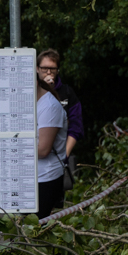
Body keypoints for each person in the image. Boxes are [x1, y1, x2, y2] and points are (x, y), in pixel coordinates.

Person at [37, 49, 84, 157]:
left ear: (57, 70)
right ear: (37, 69)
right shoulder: (31, 92)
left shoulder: (67, 92)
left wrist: (65, 154)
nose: (48, 72)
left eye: (52, 69)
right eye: (44, 68)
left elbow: (76, 125)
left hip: (60, 155)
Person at [36, 67, 69, 219]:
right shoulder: (33, 103)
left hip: (46, 177)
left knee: (36, 229)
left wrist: (11, 150)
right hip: (32, 176)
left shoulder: (49, 107)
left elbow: (43, 150)